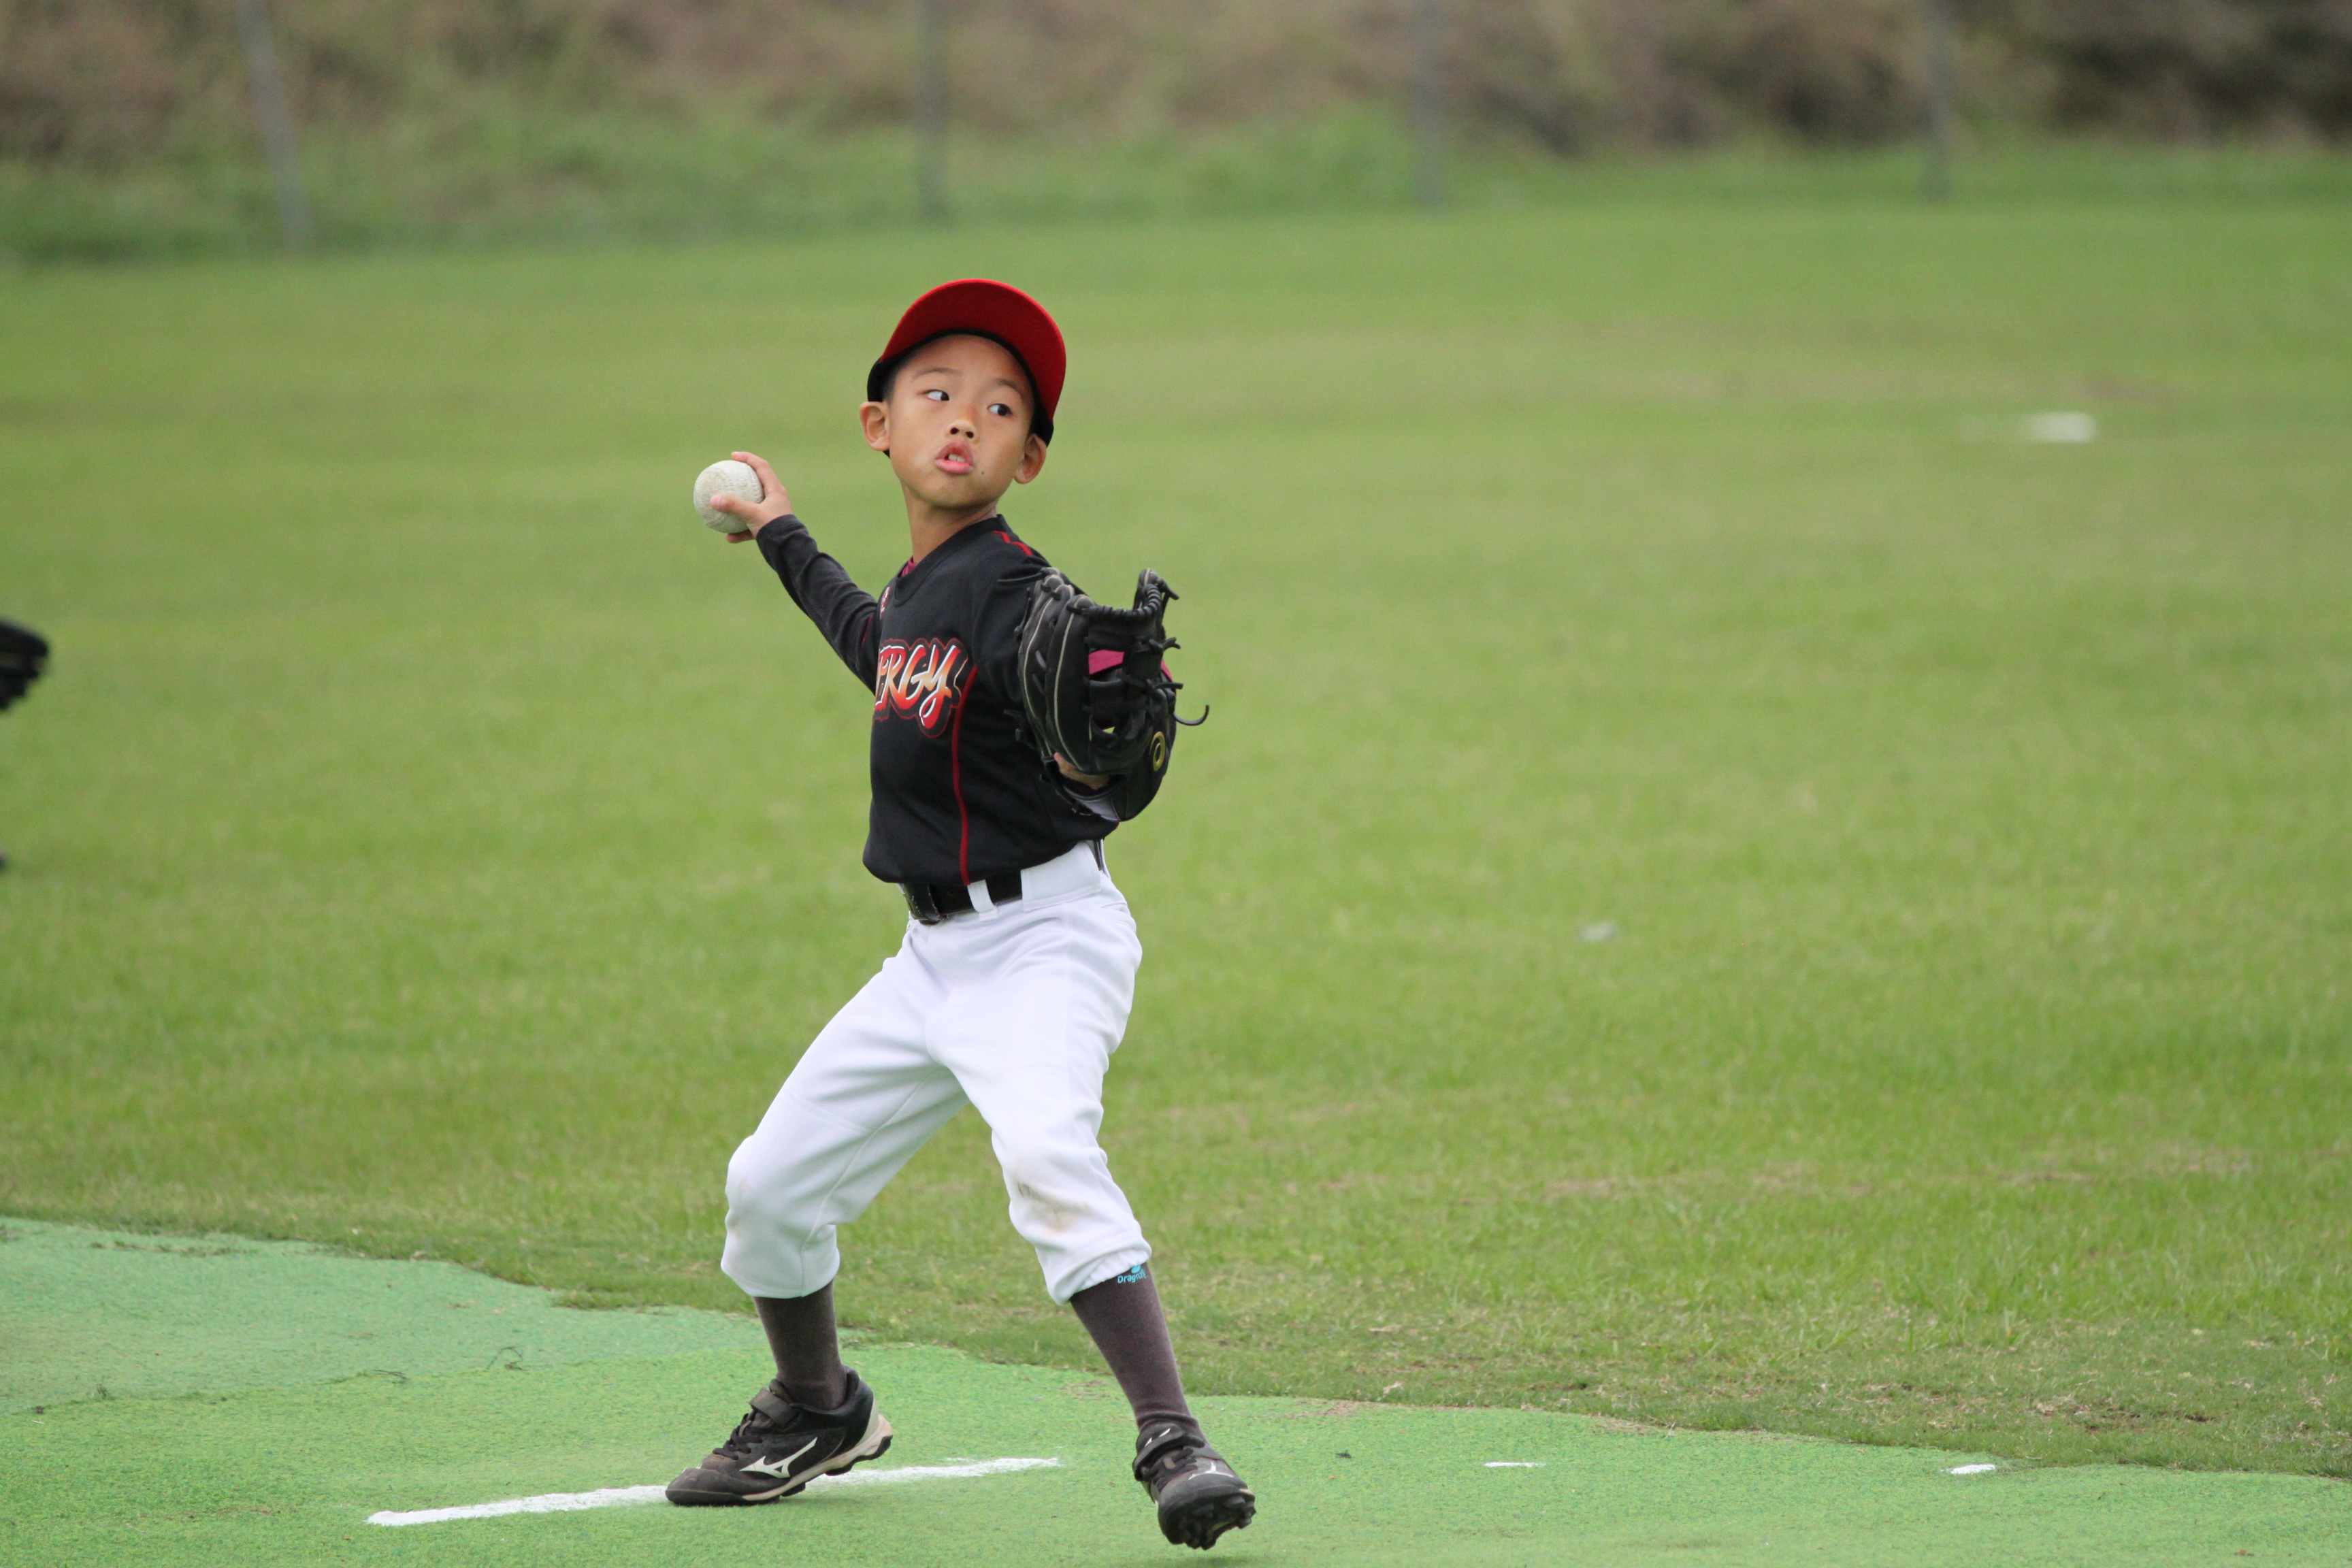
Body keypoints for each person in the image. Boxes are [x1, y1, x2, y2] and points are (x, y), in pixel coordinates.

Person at [665, 280, 1255, 1551]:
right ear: (878, 425)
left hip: (1046, 942)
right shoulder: (926, 587)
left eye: (999, 410)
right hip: (932, 960)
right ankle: (817, 1407)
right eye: (936, 394)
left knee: (1045, 1154)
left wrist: (1088, 724)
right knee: (769, 1187)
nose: (963, 421)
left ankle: (1174, 1440)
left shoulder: (1008, 586)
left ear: (1027, 459)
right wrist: (778, 529)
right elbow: (873, 641)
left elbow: (1049, 646)